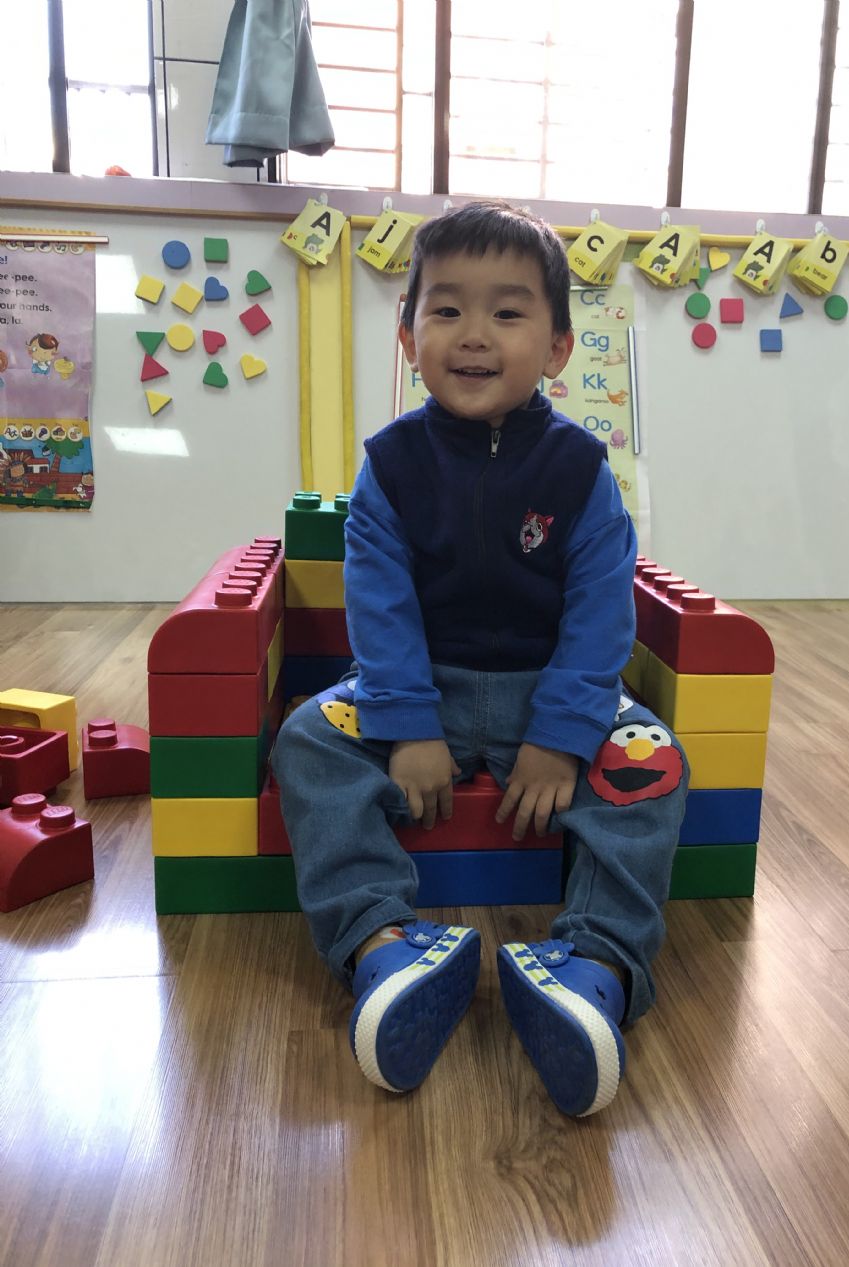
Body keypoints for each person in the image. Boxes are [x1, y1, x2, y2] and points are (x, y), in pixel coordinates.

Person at [273, 200, 689, 1117]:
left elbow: (600, 613)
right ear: (407, 335)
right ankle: (381, 946)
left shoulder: (581, 470)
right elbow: (379, 606)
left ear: (557, 348)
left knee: (656, 761)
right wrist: (406, 723)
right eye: (447, 309)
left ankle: (596, 967)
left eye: (507, 312)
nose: (473, 334)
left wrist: (565, 734)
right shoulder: (390, 466)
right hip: (421, 691)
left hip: (551, 695)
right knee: (307, 739)